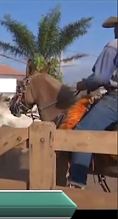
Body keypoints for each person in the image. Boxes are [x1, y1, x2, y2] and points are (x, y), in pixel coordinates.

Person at [69, 16, 118, 189]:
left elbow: (100, 77)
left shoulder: (114, 45)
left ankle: (77, 182)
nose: (114, 30)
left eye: (115, 26)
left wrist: (84, 84)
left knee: (82, 132)